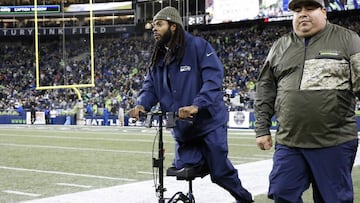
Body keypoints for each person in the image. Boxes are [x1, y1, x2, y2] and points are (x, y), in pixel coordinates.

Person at [129, 6, 253, 203]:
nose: (154, 28)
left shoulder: (198, 46)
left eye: (159, 24)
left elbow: (214, 79)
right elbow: (150, 86)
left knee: (220, 173)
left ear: (173, 27)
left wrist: (197, 105)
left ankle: (244, 198)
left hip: (208, 123)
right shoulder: (158, 57)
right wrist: (142, 105)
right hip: (182, 128)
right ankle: (207, 159)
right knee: (183, 167)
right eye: (153, 25)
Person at [254, 0, 360, 202]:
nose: (302, 14)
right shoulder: (280, 45)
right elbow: (265, 88)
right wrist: (262, 128)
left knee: (333, 200)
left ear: (324, 12)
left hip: (334, 142)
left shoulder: (348, 39)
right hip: (289, 142)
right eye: (297, 10)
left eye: (309, 8)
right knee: (282, 193)